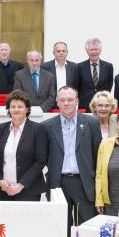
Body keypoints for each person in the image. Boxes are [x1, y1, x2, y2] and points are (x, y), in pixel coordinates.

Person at [44, 86, 101, 226]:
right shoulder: (46, 126)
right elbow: (45, 156)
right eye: (62, 100)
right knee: (61, 228)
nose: (66, 103)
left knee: (86, 226)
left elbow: (97, 153)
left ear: (77, 101)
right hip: (58, 183)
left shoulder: (92, 123)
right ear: (56, 101)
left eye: (70, 99)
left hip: (83, 183)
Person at [0, 90, 48, 201]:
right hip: (3, 189)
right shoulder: (2, 128)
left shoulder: (37, 129)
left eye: (20, 106)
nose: (16, 110)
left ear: (27, 109)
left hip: (29, 190)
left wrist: (21, 185)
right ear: (9, 109)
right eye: (13, 107)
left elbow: (40, 161)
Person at [77, 38, 114, 110]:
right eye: (91, 50)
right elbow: (77, 86)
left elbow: (109, 85)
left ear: (100, 50)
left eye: (96, 49)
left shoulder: (108, 66)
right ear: (87, 51)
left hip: (103, 105)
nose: (93, 52)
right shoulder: (79, 67)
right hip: (85, 105)